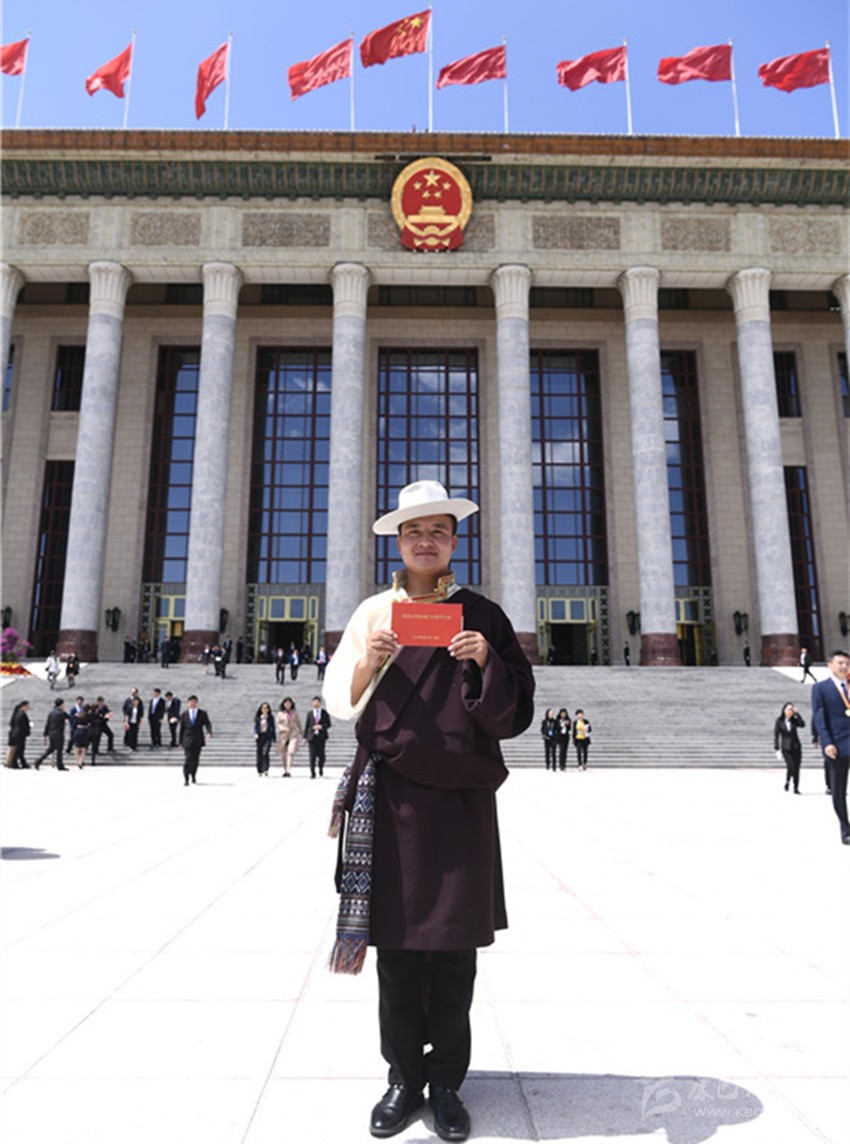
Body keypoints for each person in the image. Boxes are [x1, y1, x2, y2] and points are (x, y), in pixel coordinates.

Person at [323, 480, 535, 1143]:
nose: (425, 541)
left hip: (460, 802)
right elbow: (339, 699)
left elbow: (516, 709)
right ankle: (402, 1078)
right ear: (397, 541)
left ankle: (446, 1082)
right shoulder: (374, 612)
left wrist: (485, 661)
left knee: (452, 951)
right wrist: (370, 661)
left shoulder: (483, 615)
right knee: (396, 951)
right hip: (391, 798)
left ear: (453, 541)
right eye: (413, 531)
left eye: (437, 531)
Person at [811, 649, 850, 845]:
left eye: (847, 663)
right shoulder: (821, 688)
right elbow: (819, 717)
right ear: (830, 665)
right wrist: (826, 742)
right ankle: (846, 829)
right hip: (837, 746)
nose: (844, 666)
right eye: (840, 663)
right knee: (838, 790)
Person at [178, 695, 212, 785]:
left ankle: (193, 775)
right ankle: (186, 778)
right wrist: (180, 742)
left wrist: (209, 732)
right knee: (187, 759)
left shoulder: (202, 713)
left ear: (197, 703)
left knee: (195, 760)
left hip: (198, 740)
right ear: (188, 703)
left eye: (194, 702)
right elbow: (182, 729)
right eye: (190, 702)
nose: (192, 704)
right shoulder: (184, 714)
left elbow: (207, 723)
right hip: (187, 740)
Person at [774, 702, 805, 793]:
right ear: (784, 710)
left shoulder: (794, 720)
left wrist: (797, 714)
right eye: (789, 709)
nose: (790, 711)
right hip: (786, 748)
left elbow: (802, 724)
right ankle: (788, 780)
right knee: (791, 766)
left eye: (792, 709)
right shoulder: (779, 721)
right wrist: (777, 748)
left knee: (796, 767)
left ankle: (796, 787)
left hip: (796, 747)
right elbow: (776, 735)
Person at [33, 698, 70, 770]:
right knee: (59, 750)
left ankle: (38, 761)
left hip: (51, 733)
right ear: (61, 704)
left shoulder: (51, 713)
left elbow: (48, 724)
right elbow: (70, 717)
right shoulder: (62, 713)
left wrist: (45, 734)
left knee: (51, 749)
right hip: (59, 734)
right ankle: (60, 765)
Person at [275, 696, 303, 778]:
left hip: (293, 734)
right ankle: (285, 770)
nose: (288, 705)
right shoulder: (280, 713)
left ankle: (288, 770)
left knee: (290, 752)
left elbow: (299, 723)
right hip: (283, 735)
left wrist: (302, 733)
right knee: (283, 753)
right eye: (286, 703)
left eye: (289, 703)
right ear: (283, 704)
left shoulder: (294, 713)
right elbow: (277, 724)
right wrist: (283, 728)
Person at [306, 695, 331, 778]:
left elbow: (328, 724)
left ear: (320, 703)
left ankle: (320, 768)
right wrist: (305, 737)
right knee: (312, 756)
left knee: (321, 756)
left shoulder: (324, 713)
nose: (315, 704)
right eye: (314, 702)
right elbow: (307, 725)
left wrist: (321, 726)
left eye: (317, 702)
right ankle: (312, 772)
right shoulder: (310, 713)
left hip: (321, 737)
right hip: (312, 737)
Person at [7, 700, 31, 768]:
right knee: (19, 749)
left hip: (18, 733)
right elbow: (22, 724)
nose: (28, 707)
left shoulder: (18, 713)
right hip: (20, 733)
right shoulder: (21, 714)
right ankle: (14, 763)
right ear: (23, 706)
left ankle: (23, 763)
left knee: (20, 749)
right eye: (27, 706)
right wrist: (28, 728)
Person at [253, 702, 276, 776]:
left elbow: (273, 728)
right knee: (259, 753)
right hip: (260, 736)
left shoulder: (270, 717)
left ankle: (266, 769)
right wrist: (256, 733)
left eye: (266, 708)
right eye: (263, 708)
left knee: (266, 752)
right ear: (261, 709)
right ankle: (260, 770)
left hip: (267, 736)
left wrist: (274, 739)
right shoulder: (258, 717)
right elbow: (256, 727)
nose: (265, 709)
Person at [90, 696, 115, 761]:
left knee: (110, 735)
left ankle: (110, 748)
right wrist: (102, 716)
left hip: (104, 724)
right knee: (97, 738)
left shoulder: (104, 707)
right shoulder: (95, 707)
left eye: (102, 702)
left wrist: (109, 714)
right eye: (100, 702)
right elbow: (94, 715)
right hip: (98, 725)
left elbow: (108, 711)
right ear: (98, 702)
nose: (101, 703)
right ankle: (96, 750)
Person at [72, 704, 92, 768]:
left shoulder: (78, 715)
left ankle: (77, 761)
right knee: (83, 748)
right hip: (85, 731)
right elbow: (90, 724)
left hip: (77, 731)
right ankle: (81, 762)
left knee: (77, 747)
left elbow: (74, 724)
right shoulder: (89, 716)